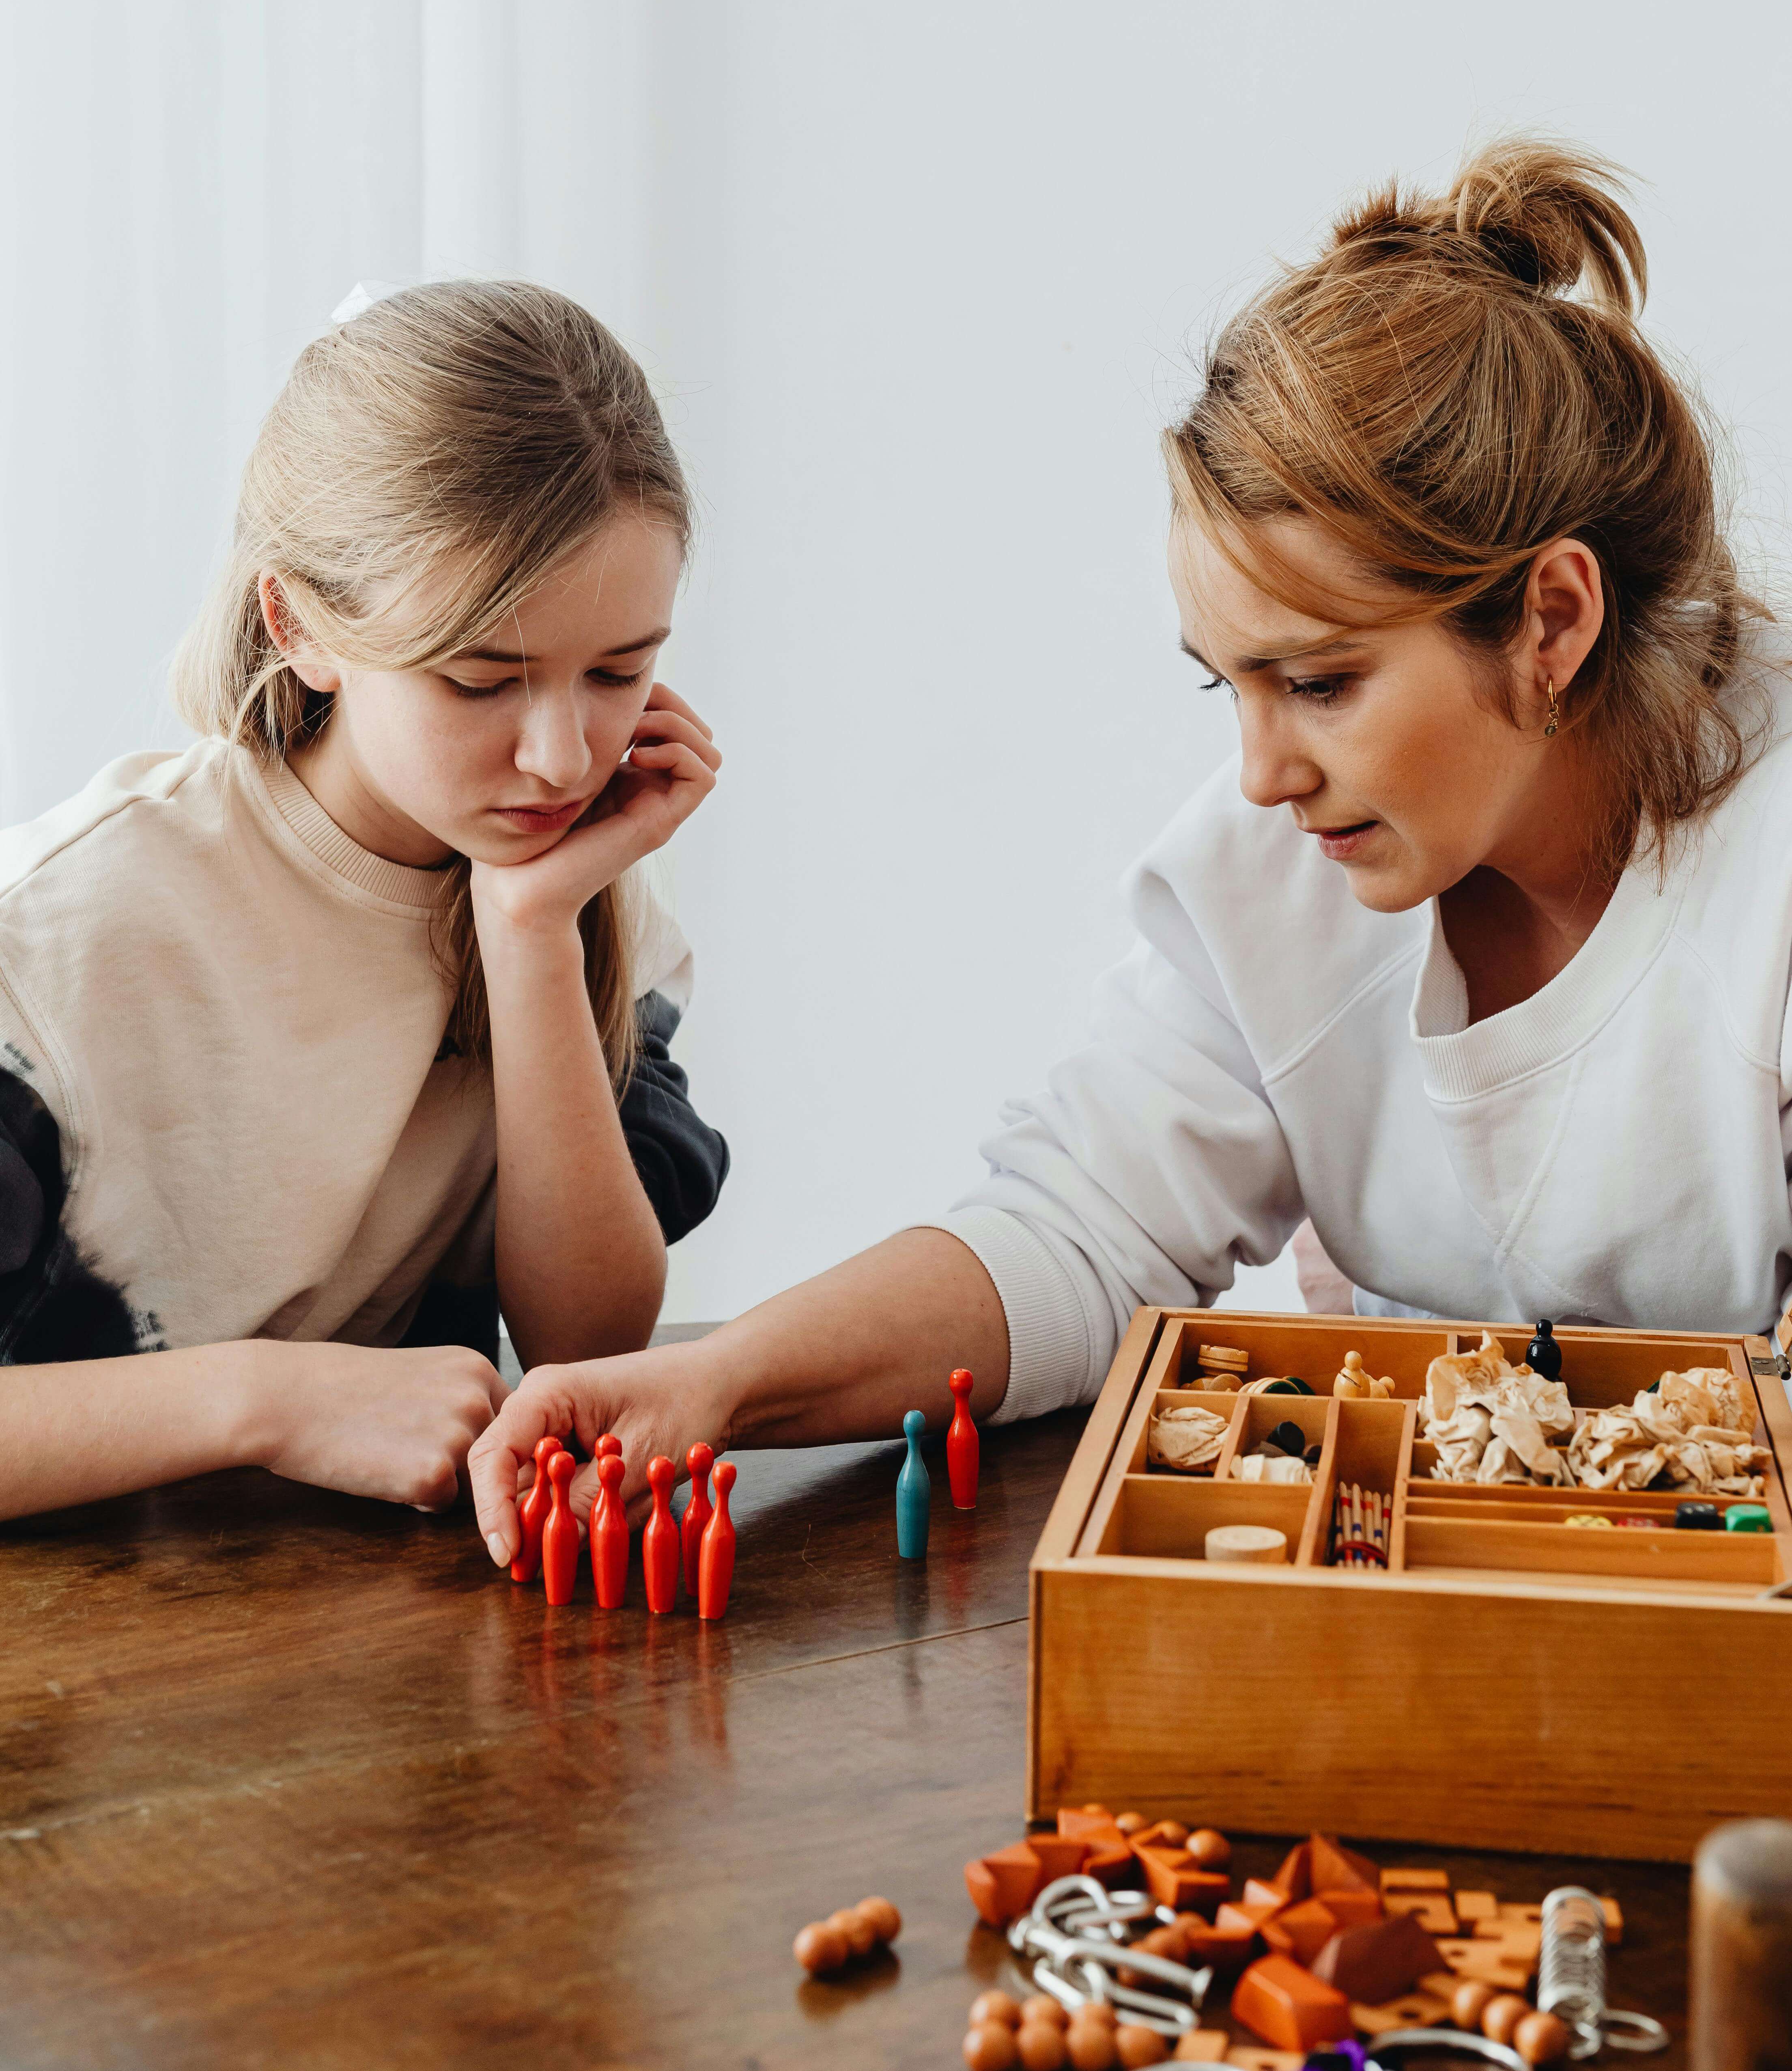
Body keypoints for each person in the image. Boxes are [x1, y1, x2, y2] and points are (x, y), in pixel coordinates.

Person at [469, 138, 1792, 1558]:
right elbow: (1076, 1232)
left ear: (1549, 622)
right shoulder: (1285, 860)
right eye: (1229, 684)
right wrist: (711, 1380)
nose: (1262, 774)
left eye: (1322, 682)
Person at [0, 282, 726, 1520]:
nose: (561, 755)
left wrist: (531, 933)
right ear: (301, 624)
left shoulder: (572, 890)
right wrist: (270, 1400)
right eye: (478, 678)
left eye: (619, 671)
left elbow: (585, 1343)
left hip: (374, 1641)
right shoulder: (67, 934)